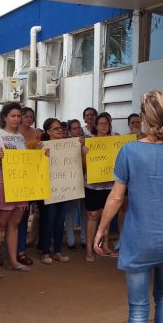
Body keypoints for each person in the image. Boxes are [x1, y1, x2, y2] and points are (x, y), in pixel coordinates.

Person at [93, 90, 163, 323]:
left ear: (143, 118)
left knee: (139, 308)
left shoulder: (129, 151)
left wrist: (101, 230)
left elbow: (116, 197)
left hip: (138, 239)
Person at [0, 102, 31, 279]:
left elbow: (26, 161)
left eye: (18, 116)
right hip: (3, 183)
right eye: (13, 116)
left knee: (14, 224)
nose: (16, 119)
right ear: (5, 117)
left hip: (20, 185)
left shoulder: (20, 137)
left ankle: (13, 261)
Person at [85, 112, 119, 262]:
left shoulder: (115, 140)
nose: (104, 126)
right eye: (101, 123)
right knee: (92, 216)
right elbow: (84, 166)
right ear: (96, 126)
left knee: (107, 216)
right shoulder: (89, 142)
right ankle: (89, 249)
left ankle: (104, 246)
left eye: (106, 123)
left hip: (110, 184)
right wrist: (84, 154)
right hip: (92, 185)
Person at [38, 118, 71, 264]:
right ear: (48, 131)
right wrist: (39, 153)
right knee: (49, 220)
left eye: (61, 128)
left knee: (60, 221)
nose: (60, 130)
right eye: (56, 128)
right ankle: (46, 251)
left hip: (65, 188)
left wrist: (82, 151)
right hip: (48, 189)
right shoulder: (42, 147)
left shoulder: (70, 146)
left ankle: (57, 251)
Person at [16, 106, 41, 265]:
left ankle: (21, 249)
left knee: (25, 214)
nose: (28, 118)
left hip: (33, 177)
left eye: (31, 116)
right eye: (25, 115)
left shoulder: (36, 133)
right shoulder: (14, 133)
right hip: (16, 177)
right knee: (11, 217)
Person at [65, 119, 87, 251]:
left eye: (79, 128)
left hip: (86, 181)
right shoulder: (65, 144)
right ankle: (70, 240)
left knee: (85, 212)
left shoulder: (88, 141)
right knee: (70, 212)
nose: (77, 130)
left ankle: (85, 239)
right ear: (69, 131)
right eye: (74, 128)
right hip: (71, 182)